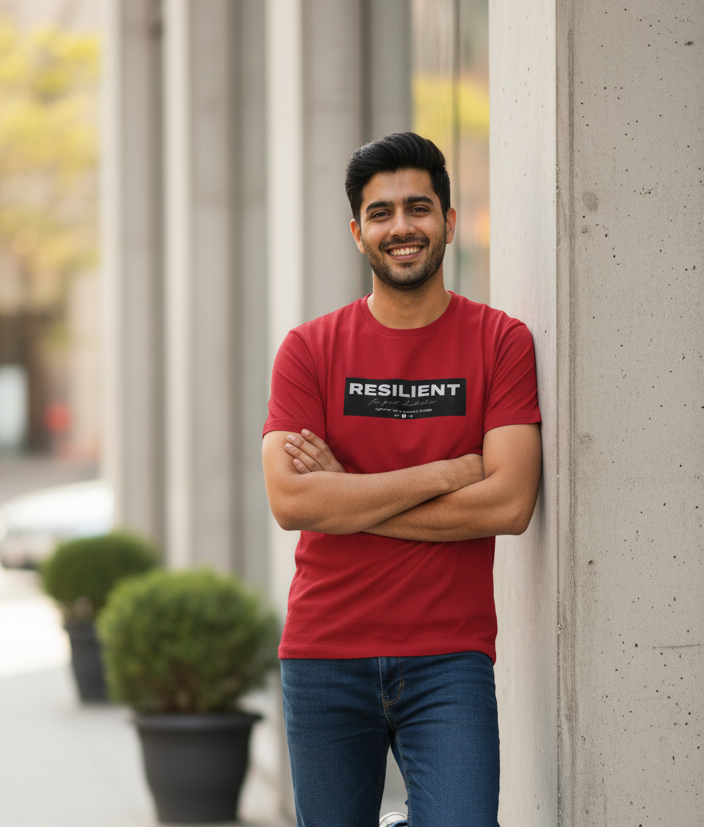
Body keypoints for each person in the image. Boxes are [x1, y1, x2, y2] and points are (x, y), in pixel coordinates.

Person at [262, 132, 542, 827]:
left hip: (450, 656)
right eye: (380, 213)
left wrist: (349, 498)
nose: (401, 227)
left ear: (448, 221)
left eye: (418, 207)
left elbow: (509, 502)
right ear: (358, 234)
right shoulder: (309, 350)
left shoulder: (500, 342)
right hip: (325, 653)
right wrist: (448, 473)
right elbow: (292, 498)